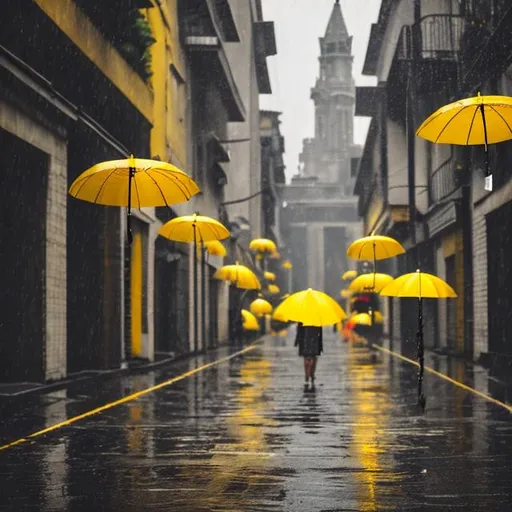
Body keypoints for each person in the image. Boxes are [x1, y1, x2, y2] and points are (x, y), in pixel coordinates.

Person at [295, 323, 323, 391]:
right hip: (313, 341)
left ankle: (308, 375)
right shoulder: (317, 319)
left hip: (306, 341)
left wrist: (297, 341)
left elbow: (299, 331)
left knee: (307, 359)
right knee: (312, 358)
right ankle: (311, 375)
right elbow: (320, 333)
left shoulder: (302, 318)